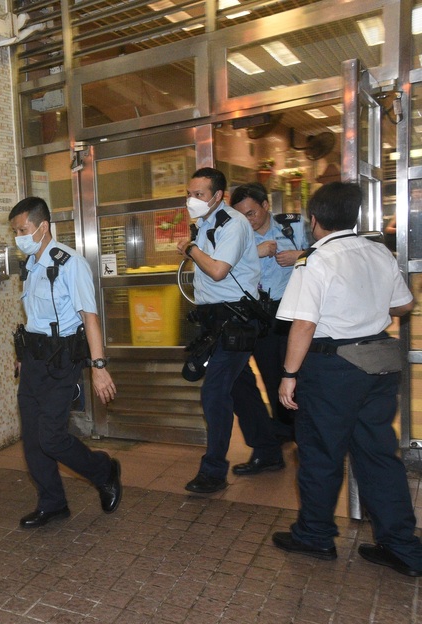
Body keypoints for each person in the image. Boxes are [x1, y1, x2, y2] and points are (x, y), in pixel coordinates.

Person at [272, 181, 422, 576]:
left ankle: (315, 535)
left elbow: (304, 324)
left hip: (333, 369)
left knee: (321, 453)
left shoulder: (315, 260)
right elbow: (405, 304)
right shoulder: (378, 251)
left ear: (314, 220)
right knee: (377, 454)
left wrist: (289, 375)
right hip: (377, 363)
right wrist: (367, 304)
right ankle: (402, 546)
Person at [10, 196, 122, 529]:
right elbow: (34, 318)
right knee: (33, 440)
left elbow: (90, 317)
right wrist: (22, 358)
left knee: (51, 437)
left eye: (23, 230)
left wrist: (98, 367)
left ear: (43, 226)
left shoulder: (70, 263)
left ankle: (103, 470)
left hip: (61, 363)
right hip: (33, 362)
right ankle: (53, 503)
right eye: (15, 231)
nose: (18, 237)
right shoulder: (31, 265)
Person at [176, 168, 278, 494]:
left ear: (217, 196)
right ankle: (268, 449)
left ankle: (213, 471)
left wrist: (191, 249)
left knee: (215, 393)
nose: (191, 200)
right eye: (189, 194)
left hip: (236, 320)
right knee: (240, 388)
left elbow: (219, 271)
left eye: (199, 194)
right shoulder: (205, 224)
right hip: (216, 320)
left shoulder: (232, 223)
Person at [227, 182, 308, 474]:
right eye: (241, 215)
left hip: (290, 310)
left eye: (251, 213)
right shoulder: (236, 234)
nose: (248, 220)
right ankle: (282, 430)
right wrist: (254, 253)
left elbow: (327, 252)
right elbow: (221, 267)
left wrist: (300, 256)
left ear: (265, 206)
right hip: (256, 310)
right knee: (268, 372)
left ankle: (301, 434)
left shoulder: (294, 226)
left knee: (291, 374)